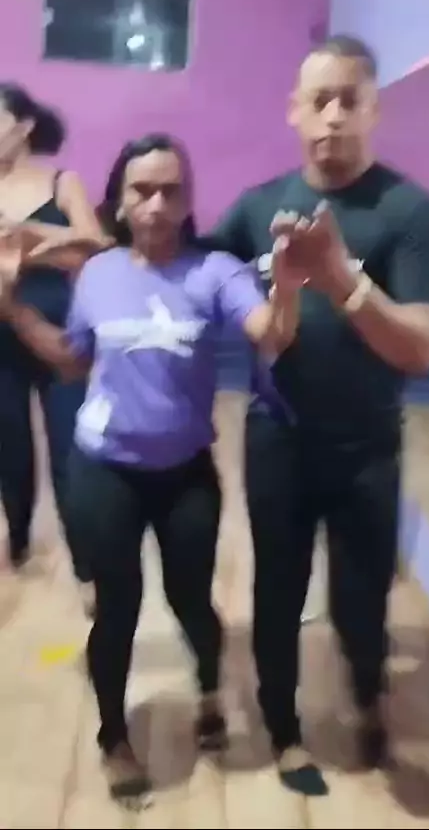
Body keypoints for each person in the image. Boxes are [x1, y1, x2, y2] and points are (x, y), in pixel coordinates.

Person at [0, 133, 307, 806]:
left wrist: (285, 287)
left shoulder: (215, 272)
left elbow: (273, 333)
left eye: (172, 191)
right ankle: (114, 737)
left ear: (190, 200)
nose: (158, 204)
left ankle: (209, 687)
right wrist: (12, 308)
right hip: (104, 470)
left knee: (192, 600)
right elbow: (73, 359)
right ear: (118, 200)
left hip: (185, 472)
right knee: (117, 607)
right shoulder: (97, 274)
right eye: (143, 190)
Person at [207, 35, 429, 794]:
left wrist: (341, 279)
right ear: (295, 111)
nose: (334, 116)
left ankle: (369, 693)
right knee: (276, 592)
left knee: (361, 600)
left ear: (375, 110)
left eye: (351, 100)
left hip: (368, 445)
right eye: (320, 100)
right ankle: (282, 728)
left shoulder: (410, 211)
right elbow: (194, 278)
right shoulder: (254, 210)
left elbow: (421, 350)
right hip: (277, 439)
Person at [0, 83, 107, 598]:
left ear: (23, 126)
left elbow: (94, 247)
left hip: (60, 332)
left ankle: (87, 568)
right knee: (9, 448)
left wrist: (27, 240)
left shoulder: (63, 182)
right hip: (1, 329)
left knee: (70, 449)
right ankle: (18, 539)